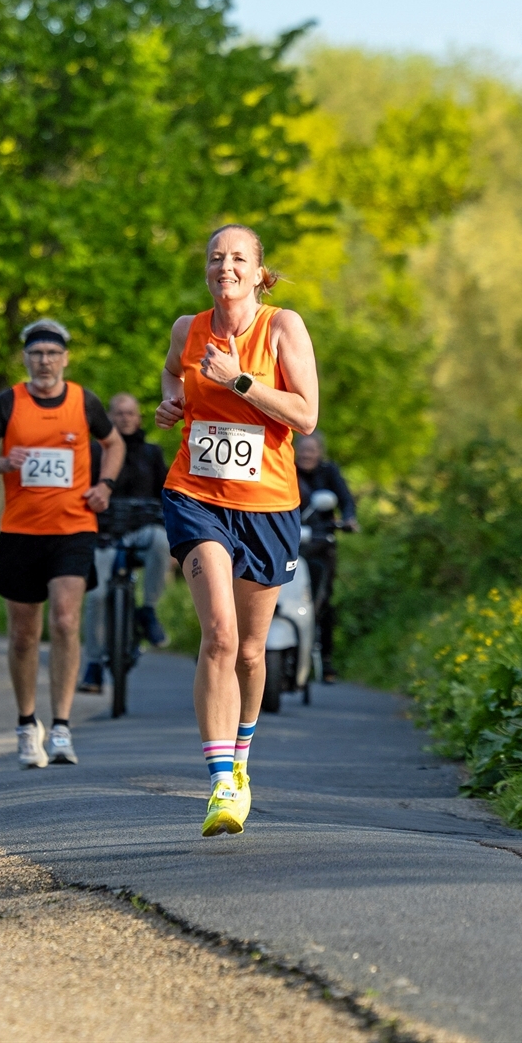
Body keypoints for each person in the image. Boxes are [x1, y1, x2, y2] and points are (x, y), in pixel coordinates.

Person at [154, 224, 319, 837]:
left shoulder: (282, 327)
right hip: (196, 496)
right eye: (216, 258)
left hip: (269, 505)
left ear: (257, 271)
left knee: (252, 651)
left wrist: (238, 381)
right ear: (207, 270)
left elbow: (306, 415)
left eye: (238, 258)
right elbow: (172, 374)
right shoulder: (187, 330)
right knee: (219, 635)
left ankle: (242, 759)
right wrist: (171, 402)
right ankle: (221, 781)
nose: (226, 267)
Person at [0, 319, 125, 768]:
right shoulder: (9, 402)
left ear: (65, 358)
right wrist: (2, 463)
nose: (44, 361)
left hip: (74, 527)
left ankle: (61, 728)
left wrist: (105, 486)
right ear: (25, 358)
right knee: (22, 634)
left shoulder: (82, 400)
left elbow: (114, 444)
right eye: (36, 353)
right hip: (20, 531)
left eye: (52, 353)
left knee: (66, 620)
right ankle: (25, 723)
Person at [78, 393, 171, 694]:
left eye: (130, 413)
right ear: (109, 417)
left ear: (138, 418)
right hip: (104, 535)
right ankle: (93, 664)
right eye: (118, 413)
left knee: (161, 539)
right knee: (96, 596)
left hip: (142, 532)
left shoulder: (151, 453)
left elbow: (167, 493)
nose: (125, 418)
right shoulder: (94, 451)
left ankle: (148, 610)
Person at [295, 431, 358, 684]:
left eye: (312, 450)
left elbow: (346, 500)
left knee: (323, 600)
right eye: (303, 449)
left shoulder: (329, 472)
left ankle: (327, 660)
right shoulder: (286, 468)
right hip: (289, 541)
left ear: (320, 452)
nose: (307, 455)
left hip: (321, 544)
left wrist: (349, 519)